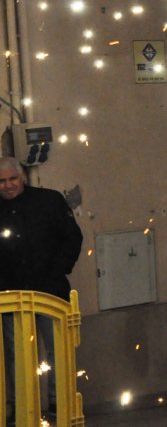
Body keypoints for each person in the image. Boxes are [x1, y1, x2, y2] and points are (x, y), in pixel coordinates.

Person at [0, 156, 83, 423]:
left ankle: (60, 407)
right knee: (17, 355)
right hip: (11, 295)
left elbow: (72, 238)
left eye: (12, 179)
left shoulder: (49, 201)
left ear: (22, 176)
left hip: (50, 292)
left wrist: (56, 272)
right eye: (1, 181)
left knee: (58, 350)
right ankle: (21, 410)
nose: (8, 186)